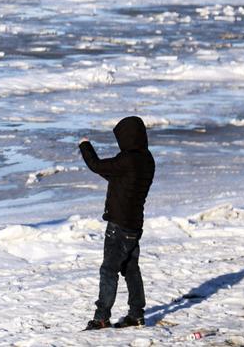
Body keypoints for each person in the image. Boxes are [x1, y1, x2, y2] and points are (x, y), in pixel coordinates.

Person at [79, 116, 155, 330]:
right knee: (131, 269)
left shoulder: (127, 159)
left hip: (118, 226)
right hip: (134, 225)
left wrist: (85, 145)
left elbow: (96, 165)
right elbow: (117, 176)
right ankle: (136, 315)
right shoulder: (146, 159)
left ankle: (101, 318)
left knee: (108, 270)